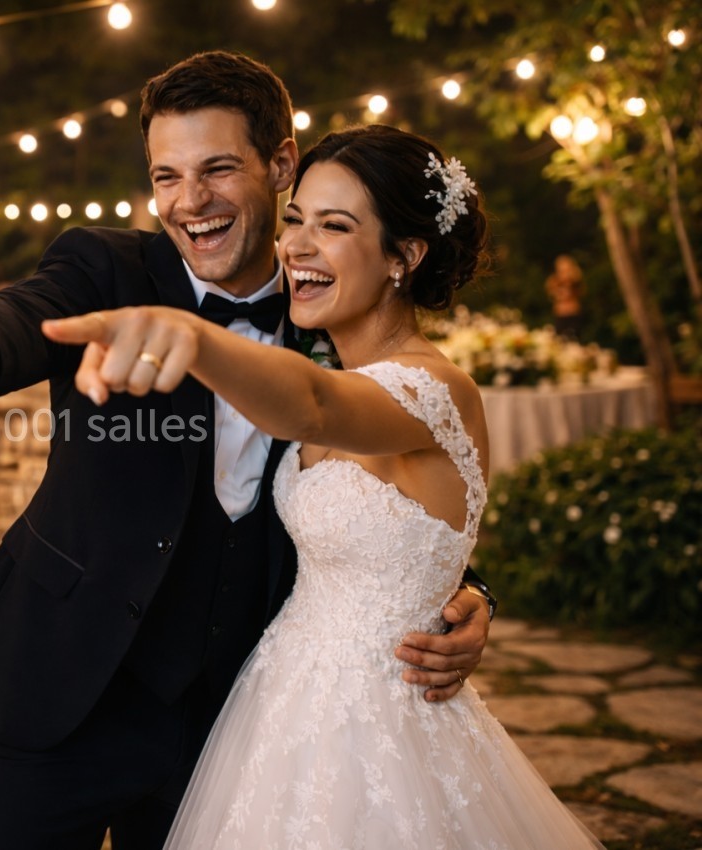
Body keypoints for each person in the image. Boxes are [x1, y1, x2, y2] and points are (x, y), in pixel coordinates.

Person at [0, 52, 495, 849]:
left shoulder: (328, 315)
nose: (191, 202)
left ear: (280, 163)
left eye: (218, 169)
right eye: (166, 176)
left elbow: (401, 482)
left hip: (232, 722)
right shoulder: (105, 267)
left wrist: (464, 593)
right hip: (61, 689)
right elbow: (25, 314)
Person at [44, 124, 602, 848]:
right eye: (297, 220)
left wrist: (191, 337)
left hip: (383, 730)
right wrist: (469, 590)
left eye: (334, 227)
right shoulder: (323, 354)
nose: (297, 247)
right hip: (271, 712)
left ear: (405, 256)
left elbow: (312, 405)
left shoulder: (435, 388)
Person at [546, 253, 585, 340]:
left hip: (573, 313)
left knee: (574, 337)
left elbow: (580, 294)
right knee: (560, 338)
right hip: (561, 314)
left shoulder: (576, 281)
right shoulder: (554, 281)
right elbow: (552, 295)